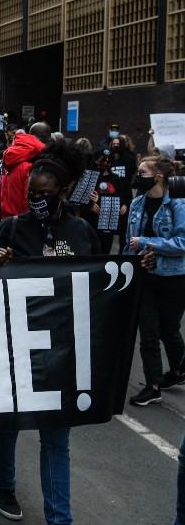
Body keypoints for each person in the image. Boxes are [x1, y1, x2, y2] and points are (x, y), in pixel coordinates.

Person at [0, 139, 105, 525]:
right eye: (31, 194)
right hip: (17, 347)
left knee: (57, 438)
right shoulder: (12, 228)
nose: (36, 200)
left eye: (45, 195)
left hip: (61, 354)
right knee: (11, 422)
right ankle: (3, 484)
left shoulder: (82, 232)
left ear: (66, 189)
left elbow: (99, 283)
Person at [126, 155, 185, 406]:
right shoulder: (138, 203)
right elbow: (130, 241)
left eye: (142, 172)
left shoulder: (178, 205)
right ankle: (153, 385)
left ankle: (178, 371)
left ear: (158, 177)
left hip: (173, 277)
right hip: (145, 276)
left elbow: (181, 243)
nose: (137, 176)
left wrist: (148, 244)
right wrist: (137, 259)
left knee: (169, 330)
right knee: (148, 332)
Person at [82, 149, 129, 255]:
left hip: (108, 223)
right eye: (102, 160)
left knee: (105, 251)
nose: (105, 163)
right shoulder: (89, 176)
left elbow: (123, 196)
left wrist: (124, 206)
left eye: (109, 160)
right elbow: (79, 198)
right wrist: (89, 205)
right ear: (96, 160)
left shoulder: (116, 178)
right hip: (91, 222)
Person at [0, 129, 45, 219]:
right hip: (21, 219)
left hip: (5, 217)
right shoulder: (27, 167)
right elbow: (26, 199)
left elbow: (1, 193)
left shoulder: (7, 163)